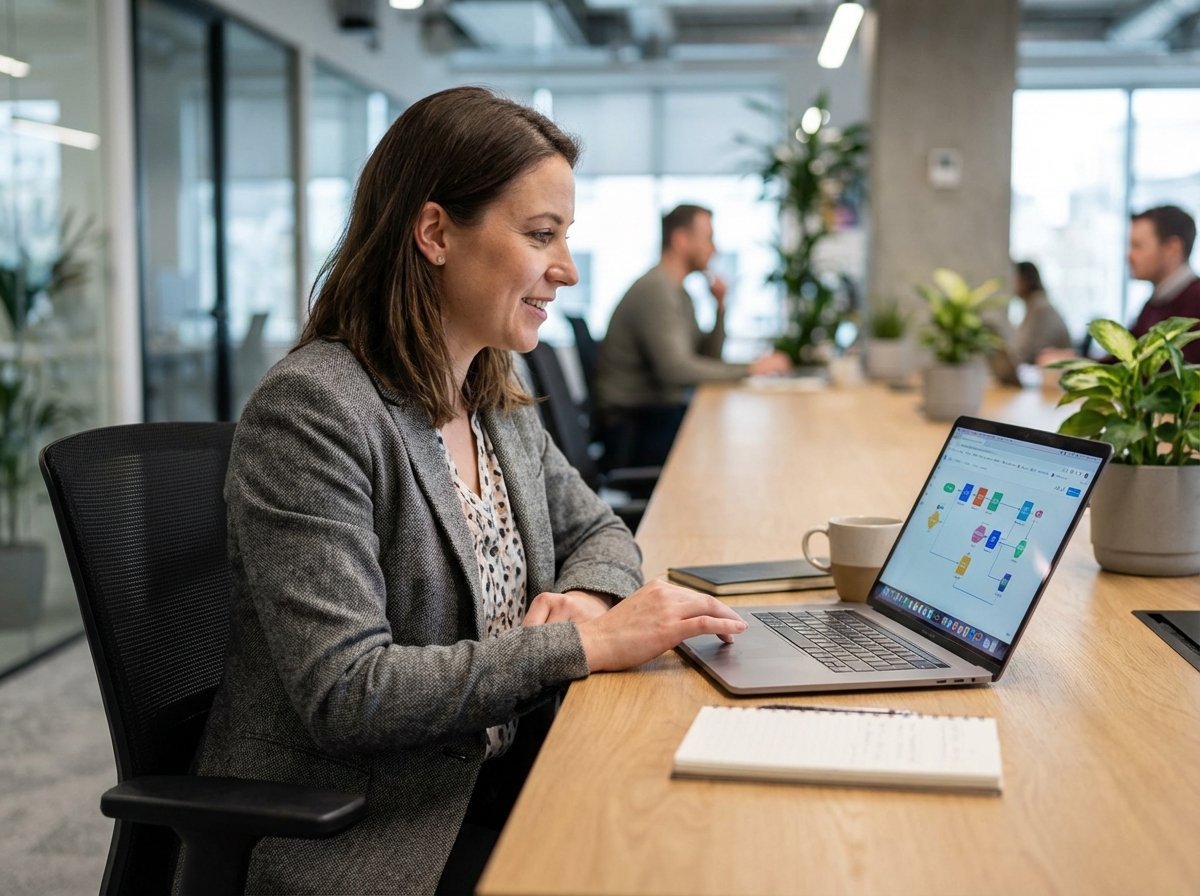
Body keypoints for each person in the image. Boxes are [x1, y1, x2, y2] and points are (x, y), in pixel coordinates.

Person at [188, 87, 747, 896]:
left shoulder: (487, 388)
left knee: (699, 838)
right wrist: (581, 646)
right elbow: (348, 692)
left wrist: (589, 601)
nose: (567, 269)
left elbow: (600, 532)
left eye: (565, 237)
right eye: (541, 235)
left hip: (506, 770)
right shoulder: (313, 410)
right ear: (436, 232)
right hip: (373, 824)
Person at [594, 204, 791, 467]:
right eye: (708, 238)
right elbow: (677, 370)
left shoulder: (678, 292)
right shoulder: (657, 290)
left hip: (654, 417)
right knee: (737, 444)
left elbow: (707, 357)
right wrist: (752, 368)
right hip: (634, 429)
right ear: (680, 240)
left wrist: (720, 308)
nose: (715, 248)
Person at [1127, 205, 1200, 363]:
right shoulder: (1155, 302)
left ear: (1173, 249)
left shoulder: (1195, 304)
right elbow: (1124, 357)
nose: (1129, 255)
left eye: (1138, 246)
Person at [1009, 260, 1072, 366]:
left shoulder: (1040, 309)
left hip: (1054, 375)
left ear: (1024, 279)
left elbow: (1025, 352)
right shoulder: (1035, 305)